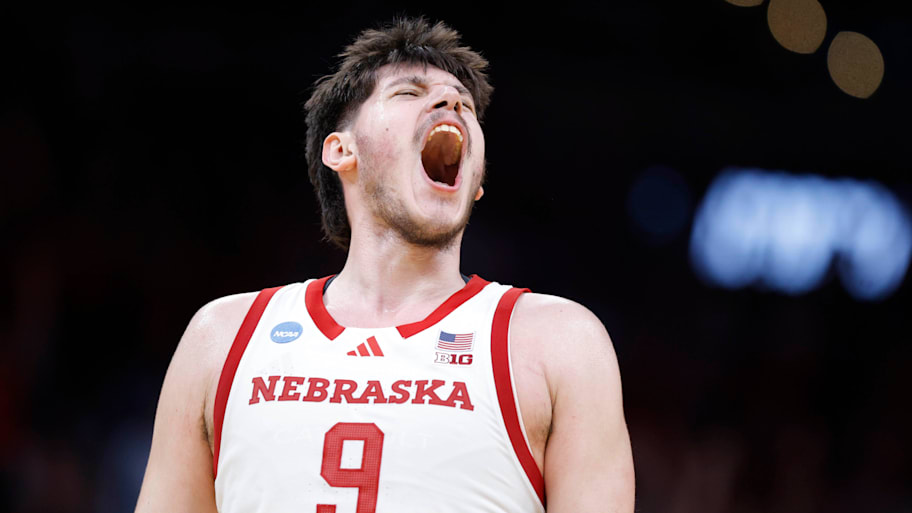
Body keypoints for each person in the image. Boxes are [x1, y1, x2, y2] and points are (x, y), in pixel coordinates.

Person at [135, 17, 634, 513]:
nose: (451, 104)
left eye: (462, 100)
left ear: (476, 180)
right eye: (408, 93)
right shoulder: (221, 338)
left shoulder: (559, 342)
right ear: (341, 150)